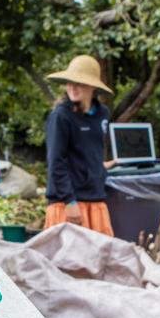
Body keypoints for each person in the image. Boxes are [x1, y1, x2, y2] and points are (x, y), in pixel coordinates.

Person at [43, 55, 116, 236]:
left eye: (79, 83)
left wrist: (99, 168)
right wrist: (70, 201)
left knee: (101, 254)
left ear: (92, 86)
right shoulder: (61, 116)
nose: (72, 87)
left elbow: (88, 152)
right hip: (68, 204)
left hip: (96, 200)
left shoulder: (103, 114)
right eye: (70, 82)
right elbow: (56, 162)